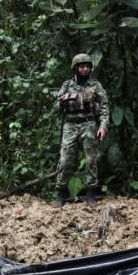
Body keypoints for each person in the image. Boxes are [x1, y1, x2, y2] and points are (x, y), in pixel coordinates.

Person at [53, 53, 110, 208]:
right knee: (65, 160)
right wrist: (62, 102)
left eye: (87, 67)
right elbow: (56, 107)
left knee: (91, 160)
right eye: (82, 66)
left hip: (89, 124)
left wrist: (103, 126)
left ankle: (91, 192)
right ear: (76, 68)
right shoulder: (66, 86)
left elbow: (104, 108)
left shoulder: (96, 86)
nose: (85, 69)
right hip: (70, 125)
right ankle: (61, 193)